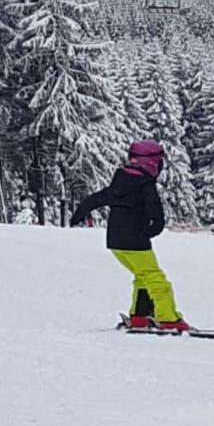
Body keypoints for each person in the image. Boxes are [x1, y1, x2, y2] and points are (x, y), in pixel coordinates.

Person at [70, 140, 189, 332]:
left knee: (142, 277)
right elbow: (156, 213)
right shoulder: (145, 185)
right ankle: (168, 318)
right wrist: (152, 230)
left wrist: (80, 213)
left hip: (116, 243)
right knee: (156, 279)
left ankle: (139, 316)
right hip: (135, 240)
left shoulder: (121, 182)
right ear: (151, 163)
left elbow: (96, 198)